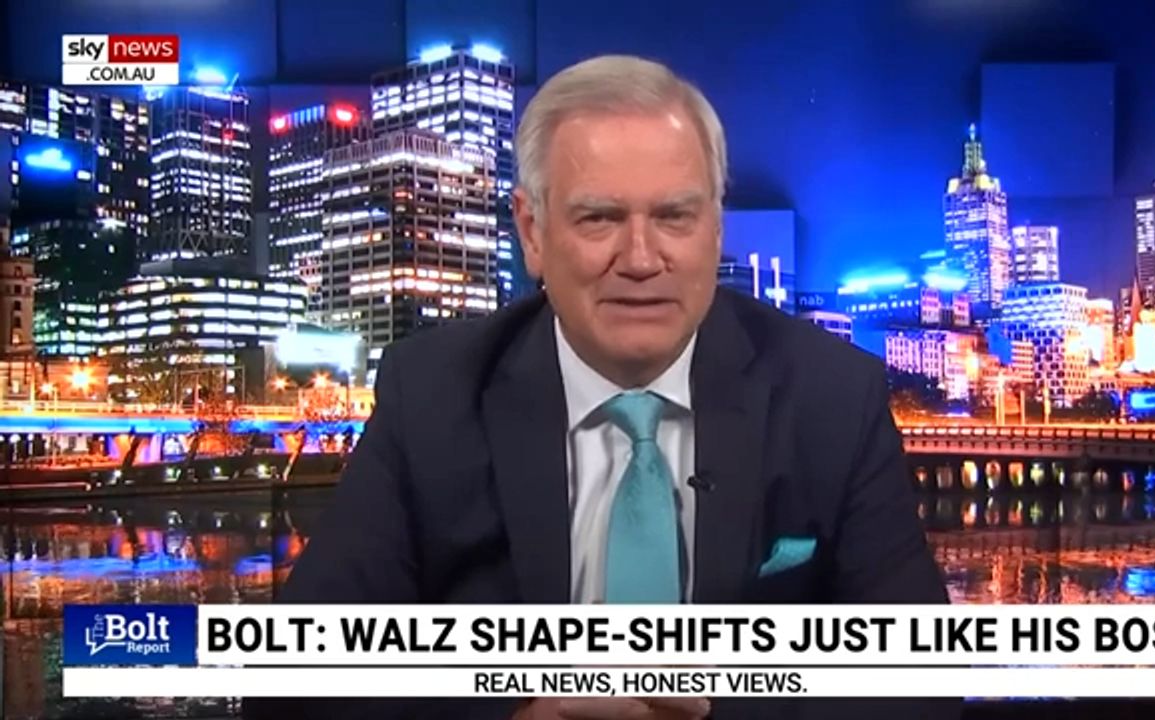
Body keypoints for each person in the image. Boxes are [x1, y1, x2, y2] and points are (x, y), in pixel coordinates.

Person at [245, 55, 959, 720]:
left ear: (715, 229)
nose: (641, 259)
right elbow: (299, 686)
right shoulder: (432, 395)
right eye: (599, 219)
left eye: (674, 216)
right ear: (532, 232)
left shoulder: (832, 396)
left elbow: (916, 686)